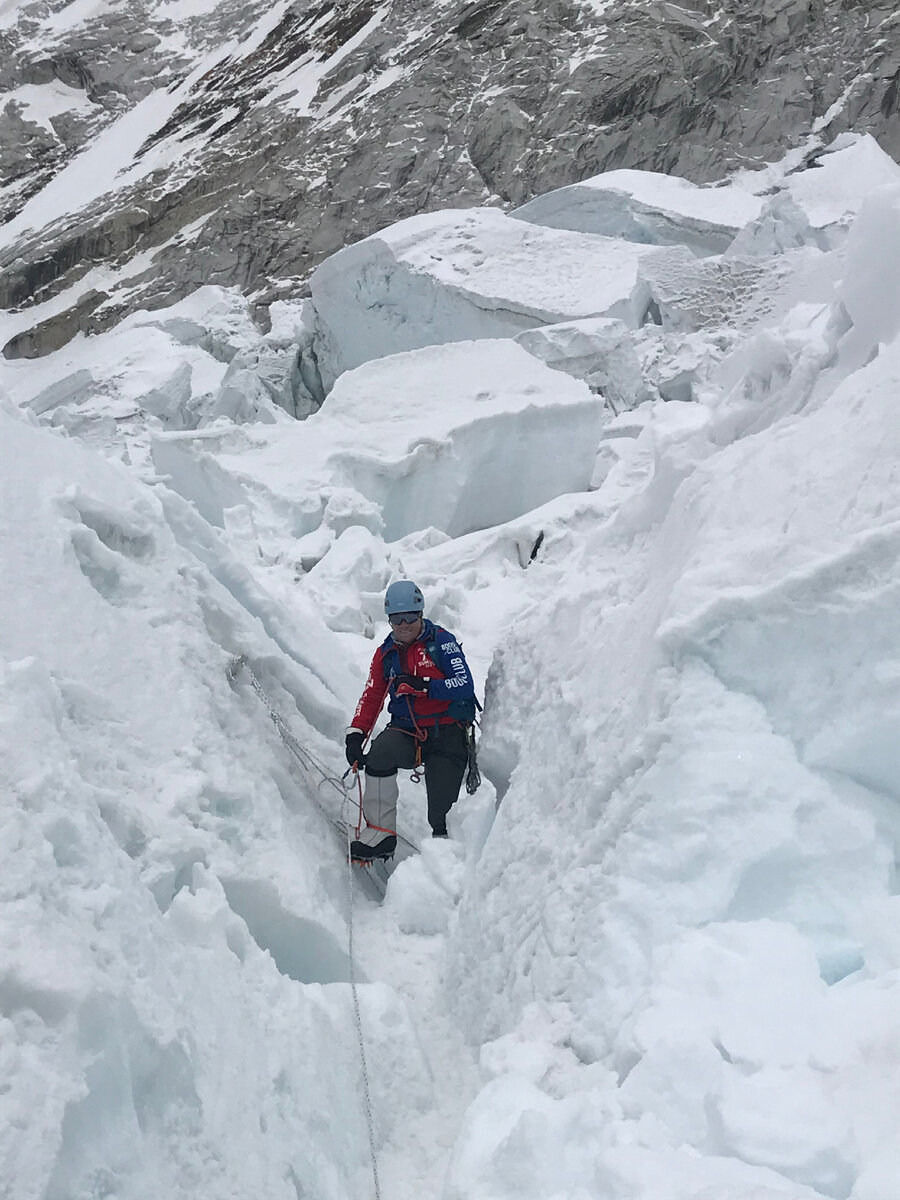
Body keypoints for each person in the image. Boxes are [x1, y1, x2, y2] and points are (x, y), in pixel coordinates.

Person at [344, 580, 477, 860]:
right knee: (379, 754)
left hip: (448, 733)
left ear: (421, 613)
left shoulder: (442, 642)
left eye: (410, 618)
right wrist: (356, 733)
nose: (404, 625)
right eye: (396, 619)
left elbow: (464, 684)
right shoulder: (386, 654)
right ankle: (380, 834)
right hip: (408, 732)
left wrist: (425, 685)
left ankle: (446, 864)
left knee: (440, 815)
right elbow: (372, 696)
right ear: (389, 620)